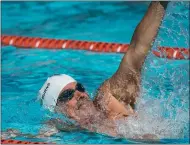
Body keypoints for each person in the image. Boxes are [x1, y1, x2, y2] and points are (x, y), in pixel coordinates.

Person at [2, 1, 169, 140]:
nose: (79, 94)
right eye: (67, 95)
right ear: (57, 110)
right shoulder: (64, 130)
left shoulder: (110, 101)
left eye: (79, 87)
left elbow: (137, 50)